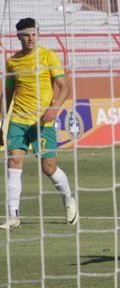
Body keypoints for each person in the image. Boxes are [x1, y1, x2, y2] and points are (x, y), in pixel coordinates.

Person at [1, 18, 77, 230]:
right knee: (13, 165)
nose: (31, 38)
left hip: (42, 121)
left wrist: (54, 108)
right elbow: (7, 94)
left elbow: (64, 87)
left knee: (48, 167)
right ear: (18, 36)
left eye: (34, 33)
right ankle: (13, 216)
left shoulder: (48, 56)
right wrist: (1, 120)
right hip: (18, 121)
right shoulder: (12, 62)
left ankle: (69, 199)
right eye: (26, 34)